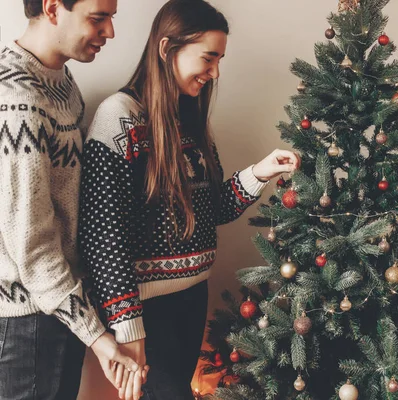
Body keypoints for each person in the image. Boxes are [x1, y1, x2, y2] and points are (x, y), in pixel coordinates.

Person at [78, 0, 299, 398]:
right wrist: (127, 324)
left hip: (193, 296)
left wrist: (259, 172)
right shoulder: (119, 117)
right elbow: (101, 235)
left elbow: (211, 210)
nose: (214, 72)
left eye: (220, 60)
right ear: (167, 49)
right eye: (208, 58)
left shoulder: (190, 122)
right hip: (146, 311)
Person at [0, 1, 146, 399]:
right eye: (98, 17)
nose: (110, 32)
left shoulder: (61, 83)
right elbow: (32, 247)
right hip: (25, 323)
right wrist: (98, 336)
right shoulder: (17, 101)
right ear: (51, 8)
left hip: (58, 310)